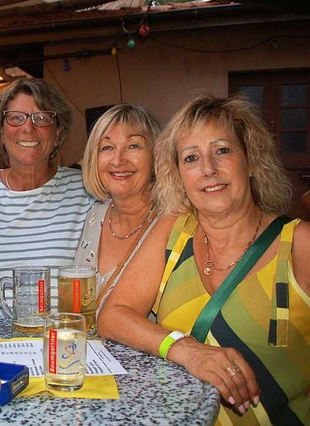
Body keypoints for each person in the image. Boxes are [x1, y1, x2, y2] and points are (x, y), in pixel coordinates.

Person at [98, 94, 309, 424]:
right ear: (179, 174)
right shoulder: (174, 230)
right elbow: (113, 316)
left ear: (251, 159)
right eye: (191, 158)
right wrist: (184, 348)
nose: (208, 169)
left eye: (222, 151)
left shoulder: (299, 244)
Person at [0, 78, 93, 314]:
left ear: (58, 134)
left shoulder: (87, 191)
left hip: (61, 343)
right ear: (1, 132)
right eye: (16, 117)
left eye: (42, 118)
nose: (28, 127)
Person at [73, 104, 161, 316]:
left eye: (134, 146)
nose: (118, 160)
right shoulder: (95, 215)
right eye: (107, 147)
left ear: (157, 155)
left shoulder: (172, 222)